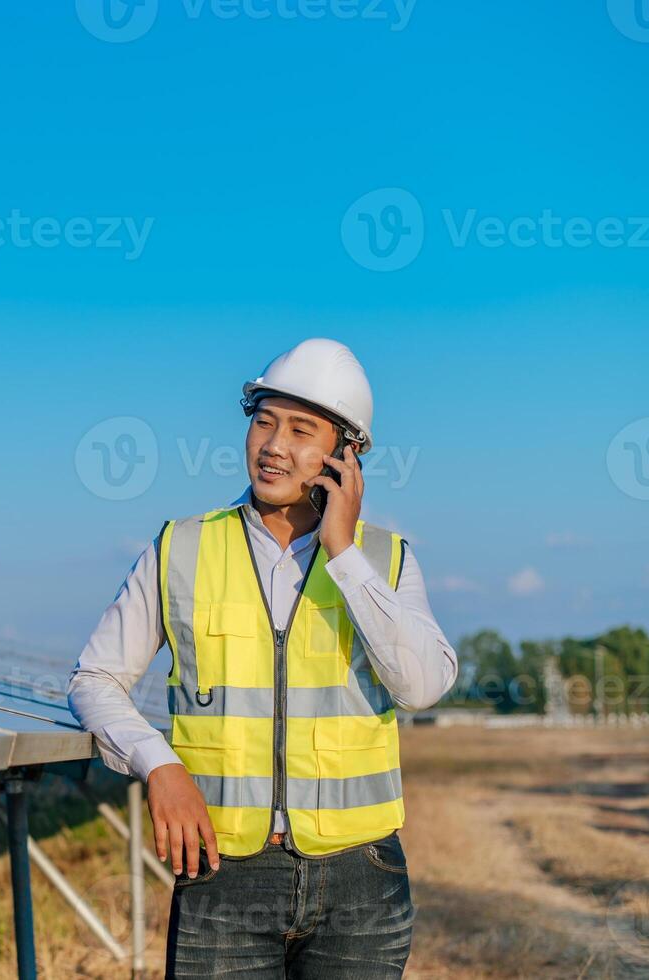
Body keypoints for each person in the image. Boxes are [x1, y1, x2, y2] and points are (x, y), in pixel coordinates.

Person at [67, 338, 458, 977]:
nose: (274, 445)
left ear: (345, 455)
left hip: (362, 878)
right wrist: (159, 766)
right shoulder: (180, 549)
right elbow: (95, 678)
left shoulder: (386, 559)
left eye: (302, 430)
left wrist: (343, 553)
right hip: (222, 871)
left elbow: (421, 684)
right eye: (264, 421)